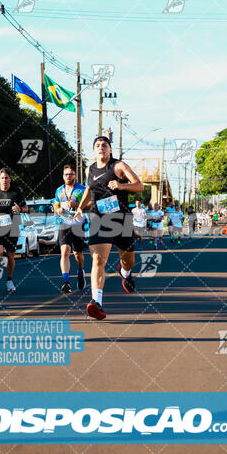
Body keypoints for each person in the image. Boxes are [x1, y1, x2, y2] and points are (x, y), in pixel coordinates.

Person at [75, 136, 143, 320]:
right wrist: (81, 207)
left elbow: (139, 186)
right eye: (97, 145)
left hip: (120, 219)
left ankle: (125, 273)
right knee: (97, 261)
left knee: (128, 260)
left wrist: (121, 185)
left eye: (104, 145)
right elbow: (89, 189)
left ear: (110, 149)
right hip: (99, 219)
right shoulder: (89, 169)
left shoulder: (118, 166)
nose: (101, 148)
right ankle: (96, 302)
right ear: (94, 150)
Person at [0, 168, 27, 293]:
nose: (4, 180)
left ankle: (9, 279)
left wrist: (20, 209)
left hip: (13, 226)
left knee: (11, 256)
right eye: (2, 178)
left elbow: (26, 208)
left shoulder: (16, 192)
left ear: (10, 179)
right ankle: (1, 262)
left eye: (7, 178)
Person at [54, 164, 87, 294]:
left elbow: (90, 204)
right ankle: (66, 282)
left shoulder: (82, 189)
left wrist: (77, 204)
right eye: (66, 174)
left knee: (78, 254)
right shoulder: (59, 190)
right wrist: (58, 210)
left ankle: (80, 271)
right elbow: (56, 205)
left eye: (71, 174)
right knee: (65, 252)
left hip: (77, 223)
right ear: (63, 176)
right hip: (64, 223)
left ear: (75, 175)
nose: (68, 176)